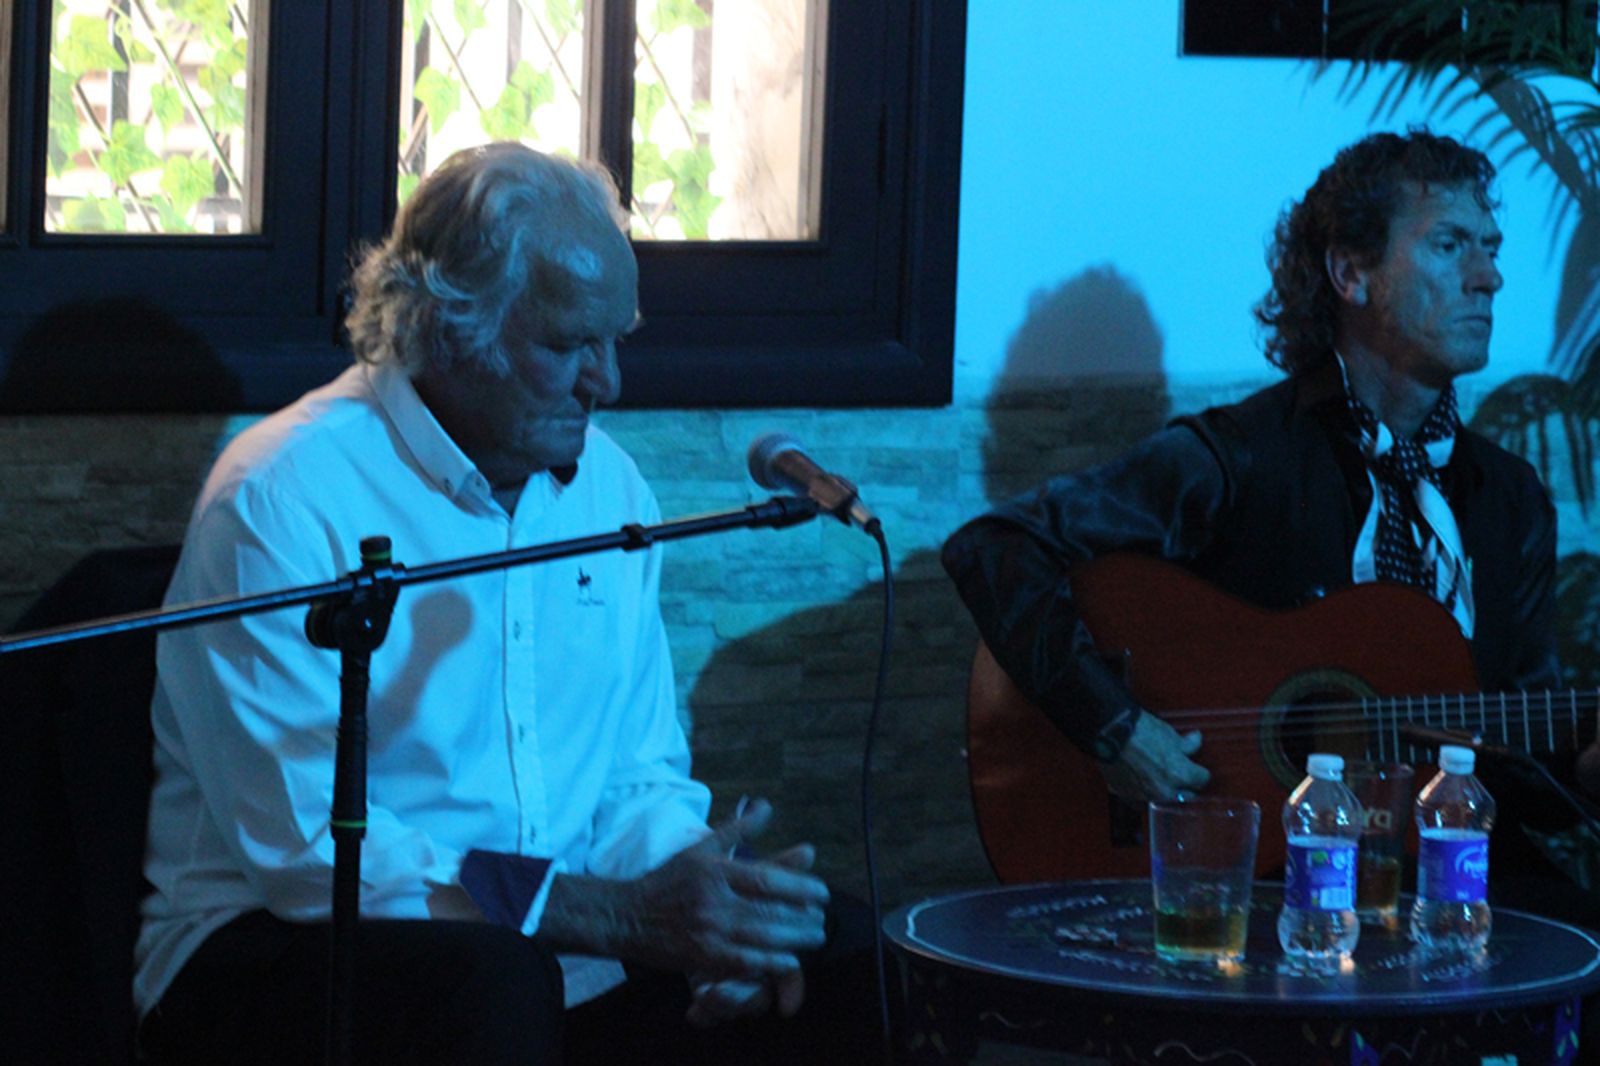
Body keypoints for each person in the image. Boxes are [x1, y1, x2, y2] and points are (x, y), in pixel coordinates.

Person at [135, 143, 871, 1066]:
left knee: (838, 947)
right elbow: (309, 852)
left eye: (617, 341)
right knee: (494, 984)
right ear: (448, 328)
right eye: (567, 347)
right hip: (280, 950)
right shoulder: (283, 497)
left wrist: (706, 893)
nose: (608, 382)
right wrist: (613, 913)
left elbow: (632, 776)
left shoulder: (611, 490)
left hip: (560, 943)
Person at [942, 128, 1578, 817]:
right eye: (1450, 245)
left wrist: (1582, 772)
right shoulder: (1239, 457)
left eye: (1491, 248)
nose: (1488, 276)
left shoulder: (1509, 499)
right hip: (1258, 878)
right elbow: (995, 546)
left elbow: (1521, 754)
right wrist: (1114, 729)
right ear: (1350, 274)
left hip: (1441, 879)